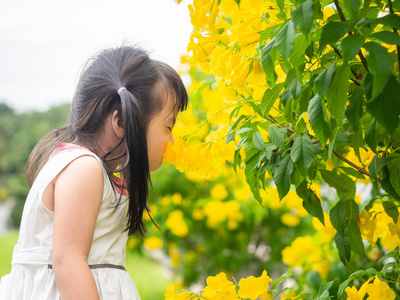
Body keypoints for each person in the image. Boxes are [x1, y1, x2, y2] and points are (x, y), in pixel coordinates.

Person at [0, 45, 188, 299]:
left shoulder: (92, 170)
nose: (173, 140)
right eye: (168, 126)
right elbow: (68, 262)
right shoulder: (84, 168)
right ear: (121, 121)